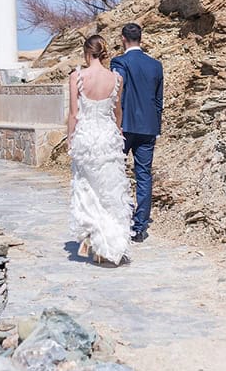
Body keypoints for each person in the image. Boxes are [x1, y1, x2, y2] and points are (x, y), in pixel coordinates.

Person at [68, 34, 132, 265]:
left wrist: (70, 139)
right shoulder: (116, 79)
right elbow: (118, 113)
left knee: (87, 190)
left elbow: (74, 114)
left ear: (87, 52)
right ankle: (108, 245)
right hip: (108, 137)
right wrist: (118, 134)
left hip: (86, 138)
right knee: (110, 192)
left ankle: (93, 242)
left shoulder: (77, 77)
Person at [111, 23, 163, 242]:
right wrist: (157, 125)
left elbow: (117, 93)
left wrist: (115, 122)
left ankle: (118, 219)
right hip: (148, 127)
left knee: (115, 172)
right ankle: (140, 226)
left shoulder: (119, 62)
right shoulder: (156, 65)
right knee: (143, 175)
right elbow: (158, 99)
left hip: (124, 126)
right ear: (141, 38)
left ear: (123, 38)